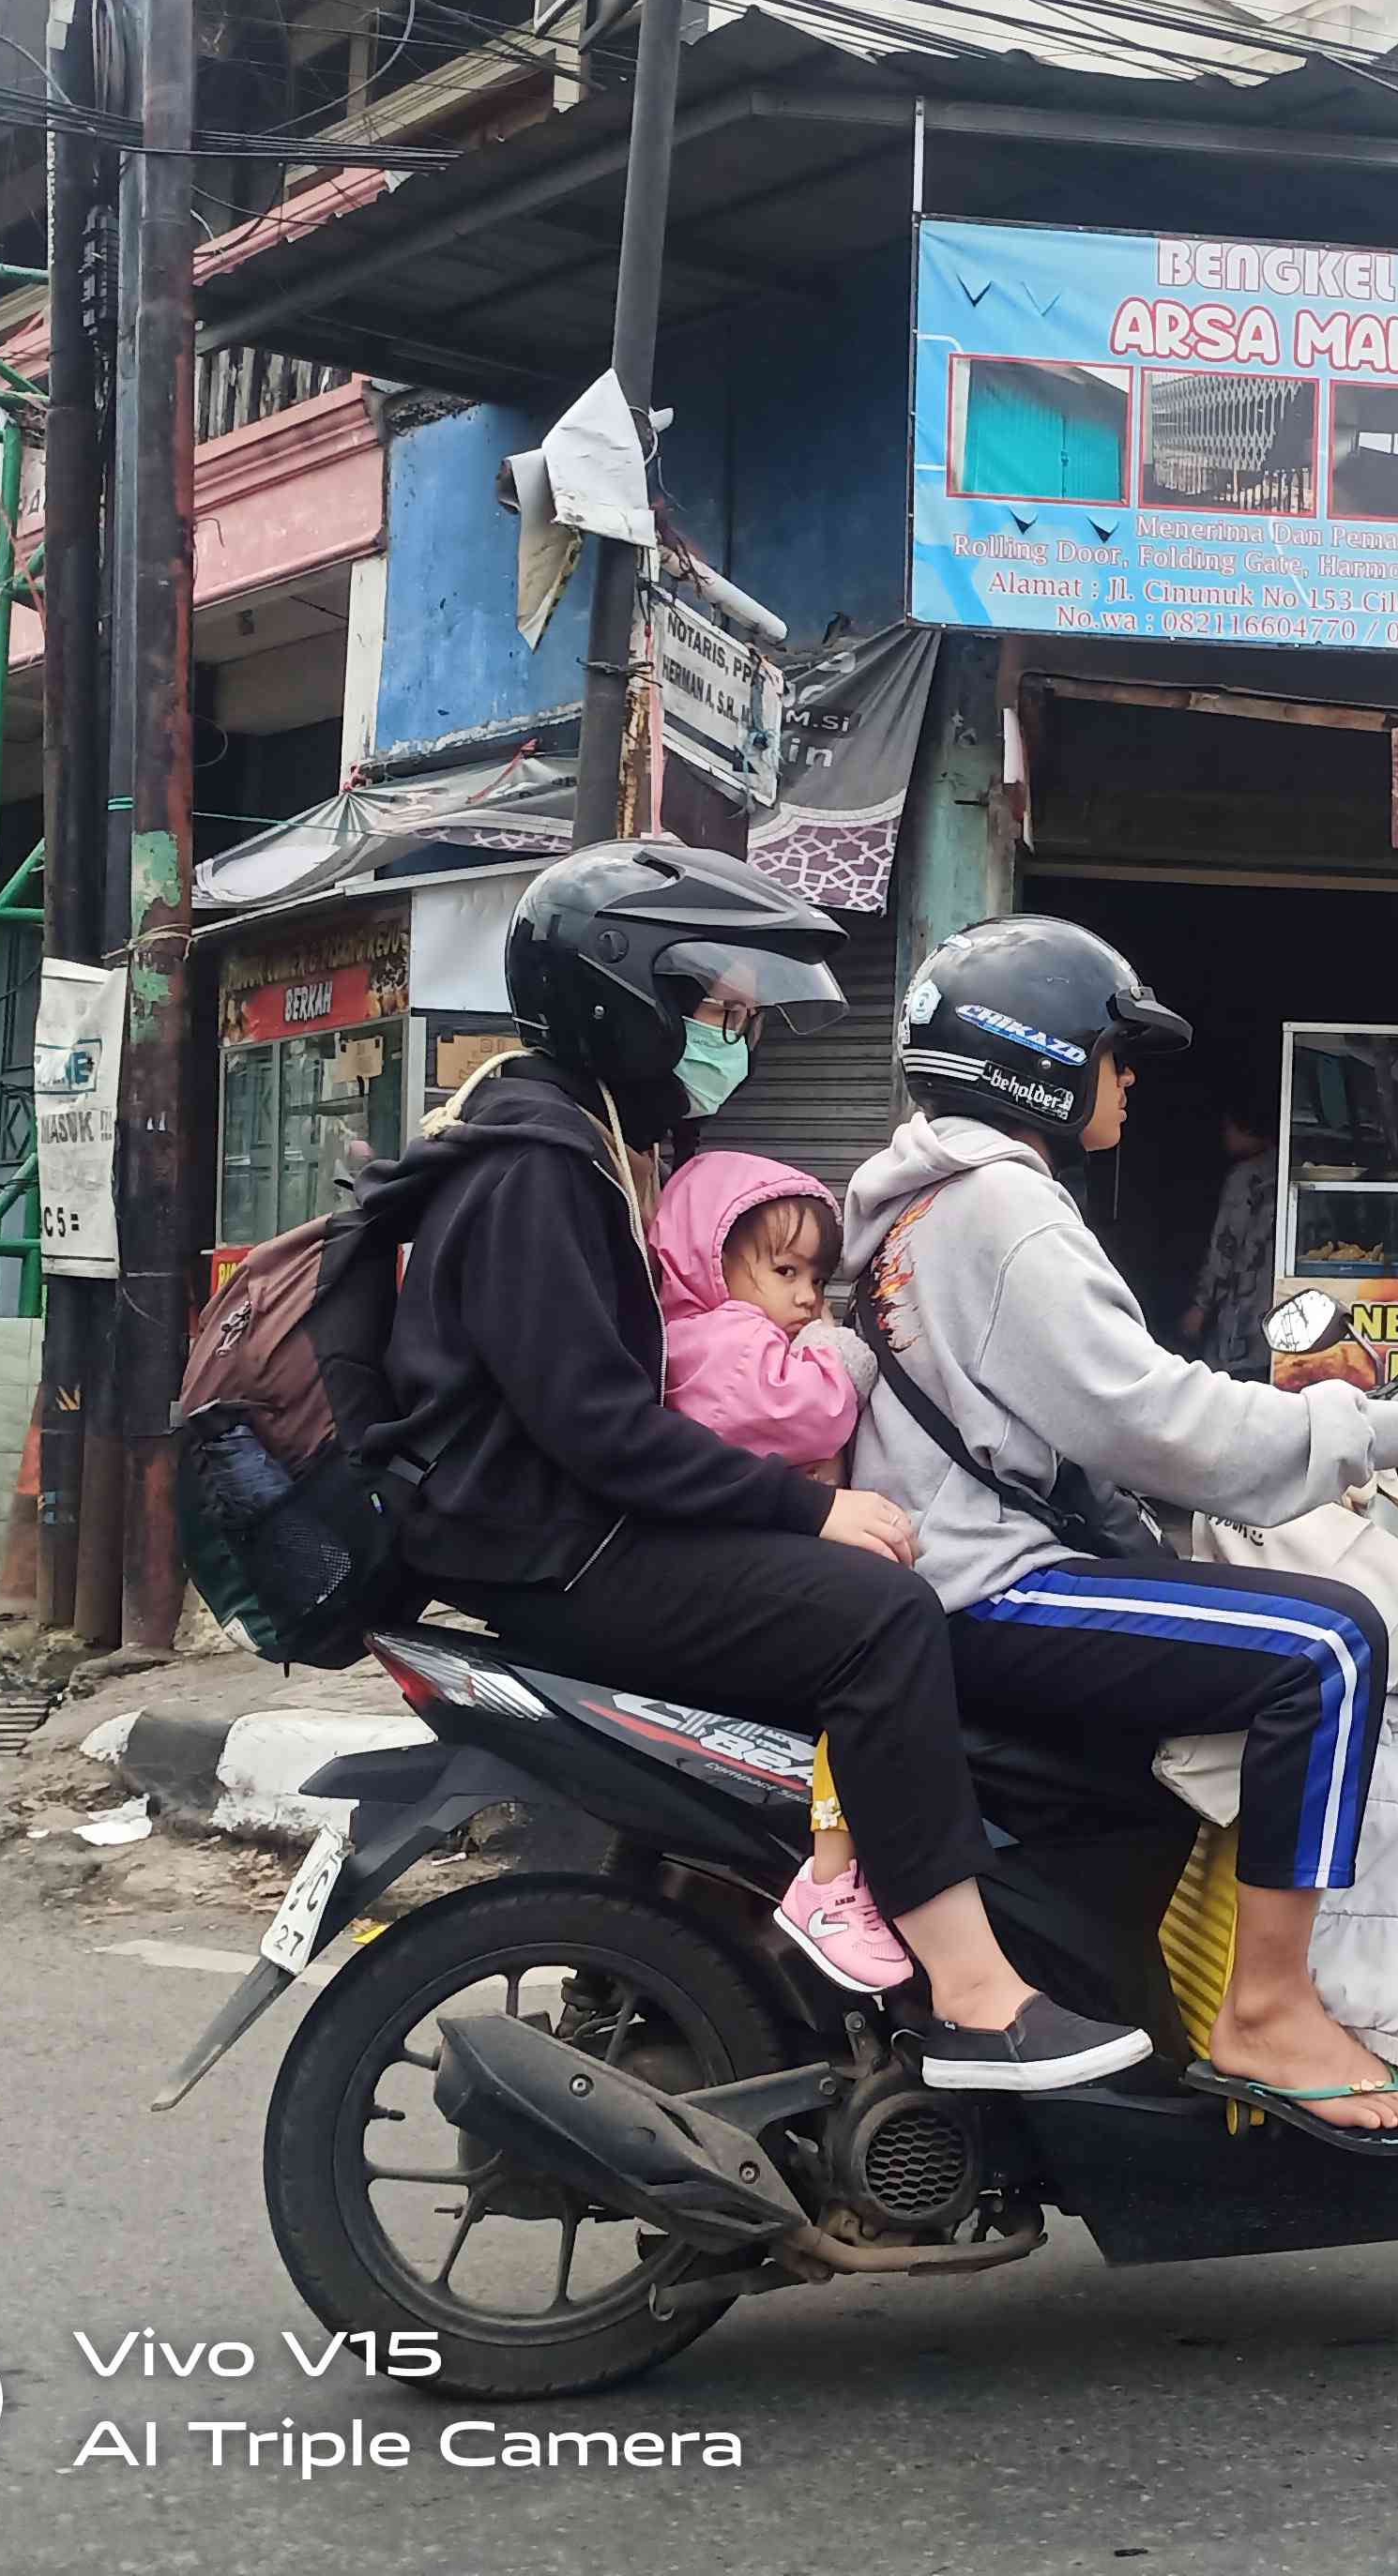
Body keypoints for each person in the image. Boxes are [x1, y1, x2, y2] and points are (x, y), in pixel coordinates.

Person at [359, 841, 1149, 2097]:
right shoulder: (539, 1166)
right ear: (623, 993)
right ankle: (975, 1993)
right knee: (881, 1616)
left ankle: (759, 1925)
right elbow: (602, 1426)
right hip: (560, 1554)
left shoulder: (564, 1139)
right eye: (716, 1009)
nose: (735, 1037)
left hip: (557, 1538)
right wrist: (807, 1507)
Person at [846, 916, 1398, 2147]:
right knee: (1328, 1646)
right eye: (1115, 1052)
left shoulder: (917, 1196)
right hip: (992, 1589)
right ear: (1035, 1059)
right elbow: (1164, 1423)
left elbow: (1091, 1411)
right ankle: (1267, 2008)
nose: (1132, 1079)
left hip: (950, 1571)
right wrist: (1392, 1434)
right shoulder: (1004, 1209)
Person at [645, 1147, 906, 1994]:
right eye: (783, 1270)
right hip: (756, 1566)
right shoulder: (718, 1337)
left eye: (815, 1277)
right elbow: (804, 1412)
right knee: (868, 1659)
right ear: (704, 1261)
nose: (804, 1296)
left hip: (740, 1561)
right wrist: (846, 1355)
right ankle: (833, 1875)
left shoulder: (711, 1331)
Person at [1178, 1100, 1282, 1375]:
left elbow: (1224, 1246)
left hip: (1244, 1313)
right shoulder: (1286, 1169)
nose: (1224, 1136)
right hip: (1278, 1311)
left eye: (1228, 1128)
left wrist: (1200, 1307)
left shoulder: (1245, 1178)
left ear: (1246, 1129)